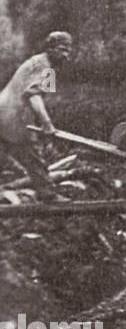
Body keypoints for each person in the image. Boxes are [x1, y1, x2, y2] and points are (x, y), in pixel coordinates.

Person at [0, 31, 73, 201]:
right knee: (32, 157)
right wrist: (47, 124)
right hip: (13, 117)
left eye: (68, 51)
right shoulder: (45, 67)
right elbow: (33, 96)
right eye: (62, 50)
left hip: (4, 113)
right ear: (50, 48)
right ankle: (49, 195)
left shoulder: (39, 63)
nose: (65, 55)